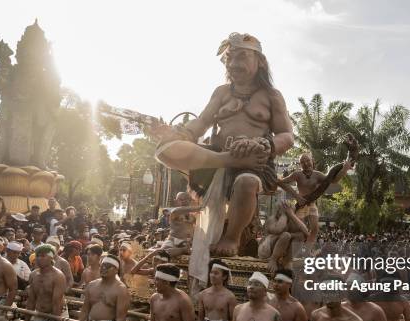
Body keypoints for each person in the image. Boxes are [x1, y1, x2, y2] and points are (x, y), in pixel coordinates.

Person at [150, 32, 294, 259]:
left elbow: (287, 135)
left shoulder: (272, 96)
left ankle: (232, 238)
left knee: (246, 182)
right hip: (217, 158)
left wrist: (264, 144)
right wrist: (179, 133)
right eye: (230, 58)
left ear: (260, 62)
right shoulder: (221, 92)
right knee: (165, 148)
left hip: (254, 163)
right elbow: (202, 122)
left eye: (242, 57)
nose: (233, 64)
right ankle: (228, 159)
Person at [277, 152, 353, 243]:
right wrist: (297, 196)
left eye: (307, 160)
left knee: (315, 229)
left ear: (312, 161)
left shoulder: (317, 175)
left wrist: (344, 169)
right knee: (298, 229)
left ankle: (308, 250)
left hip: (312, 204)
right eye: (302, 162)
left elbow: (333, 180)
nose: (305, 163)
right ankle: (293, 247)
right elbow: (281, 182)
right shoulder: (297, 174)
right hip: (300, 205)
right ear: (300, 164)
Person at [257, 202, 309, 273]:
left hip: (282, 250)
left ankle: (287, 261)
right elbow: (278, 230)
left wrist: (292, 215)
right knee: (286, 235)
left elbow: (306, 233)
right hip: (266, 250)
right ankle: (273, 260)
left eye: (290, 210)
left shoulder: (292, 219)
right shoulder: (272, 219)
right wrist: (284, 215)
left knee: (301, 235)